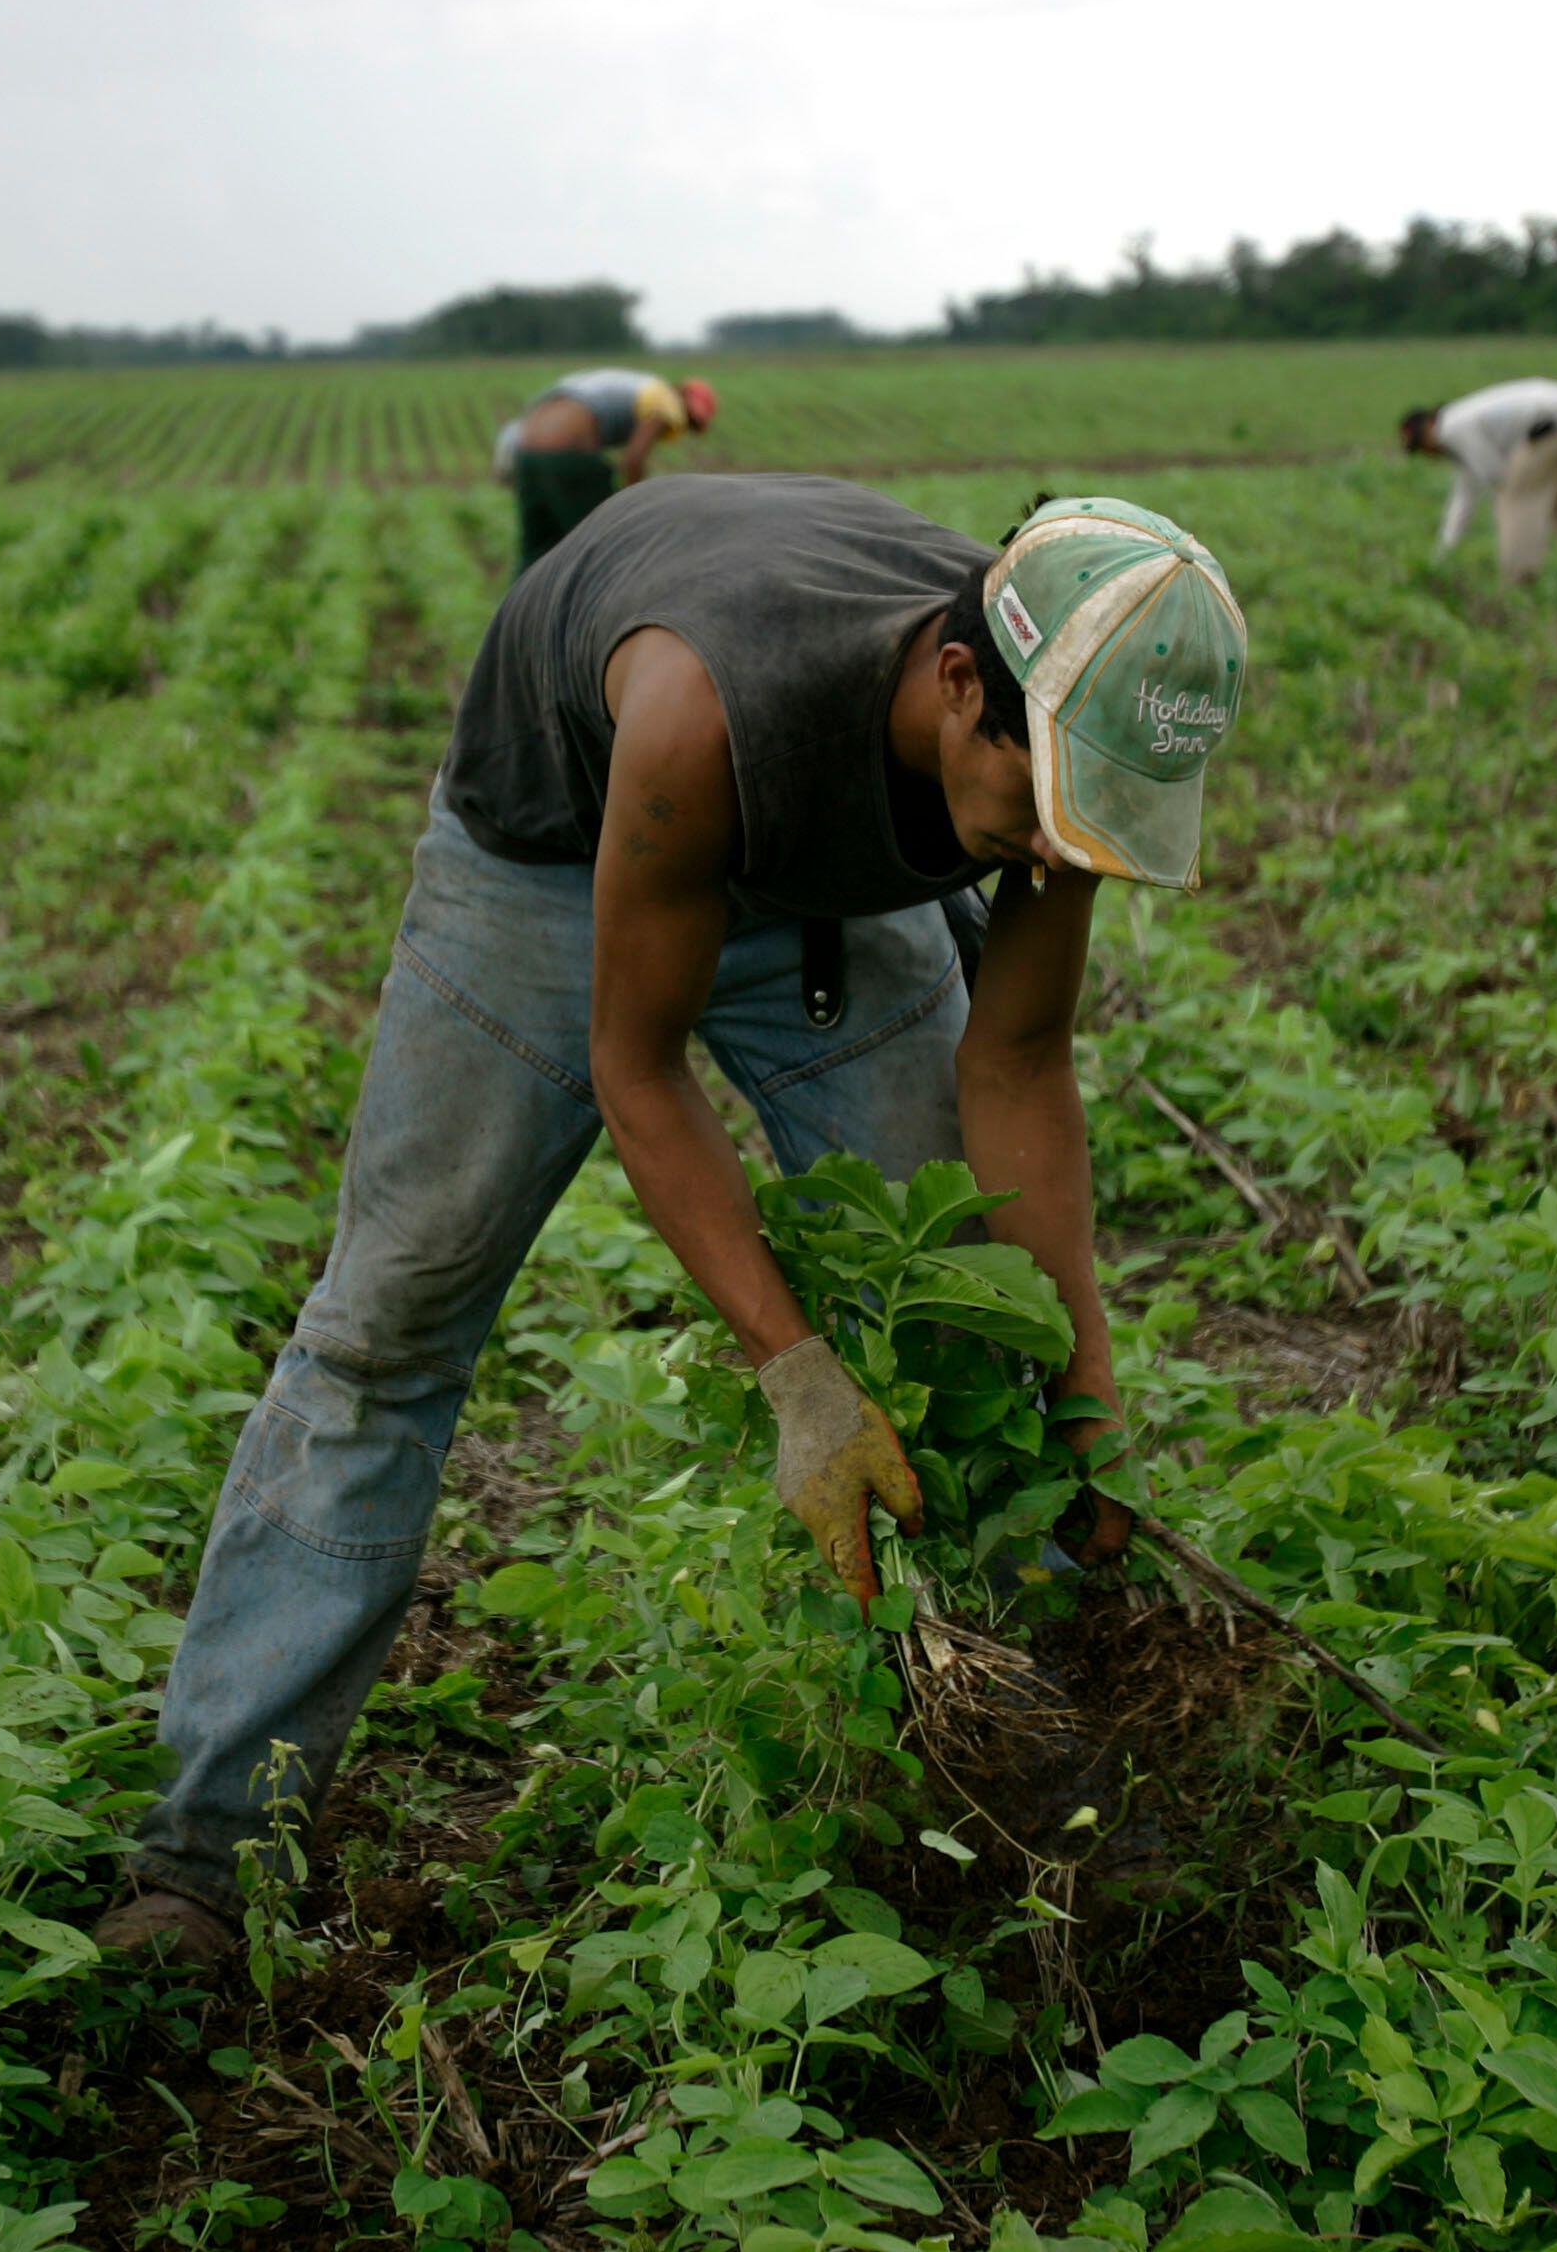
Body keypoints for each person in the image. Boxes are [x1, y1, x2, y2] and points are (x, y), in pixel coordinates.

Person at [95, 478, 1251, 1962]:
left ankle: (1053, 1801)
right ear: (959, 684)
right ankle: (205, 1849)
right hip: (563, 861)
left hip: (829, 884)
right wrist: (798, 1374)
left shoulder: (1055, 719)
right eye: (1046, 799)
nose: (1056, 847)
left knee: (968, 1320)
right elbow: (636, 1073)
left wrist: (1083, 1389)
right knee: (390, 1325)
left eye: (1095, 817)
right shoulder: (709, 698)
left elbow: (1018, 1064)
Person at [490, 367, 720, 574]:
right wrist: (633, 508)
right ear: (684, 399)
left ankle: (518, 617)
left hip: (526, 452)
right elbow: (633, 459)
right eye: (690, 421)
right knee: (604, 548)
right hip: (568, 454)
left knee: (537, 551)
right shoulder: (668, 402)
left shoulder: (633, 383)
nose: (685, 426)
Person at [1400, 377, 1557, 582]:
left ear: (1429, 427)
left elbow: (1495, 475)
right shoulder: (1461, 420)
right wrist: (1443, 553)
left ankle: (1518, 584)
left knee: (1512, 500)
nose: (1427, 454)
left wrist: (1443, 555)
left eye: (1421, 446)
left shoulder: (1450, 429)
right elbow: (1464, 497)